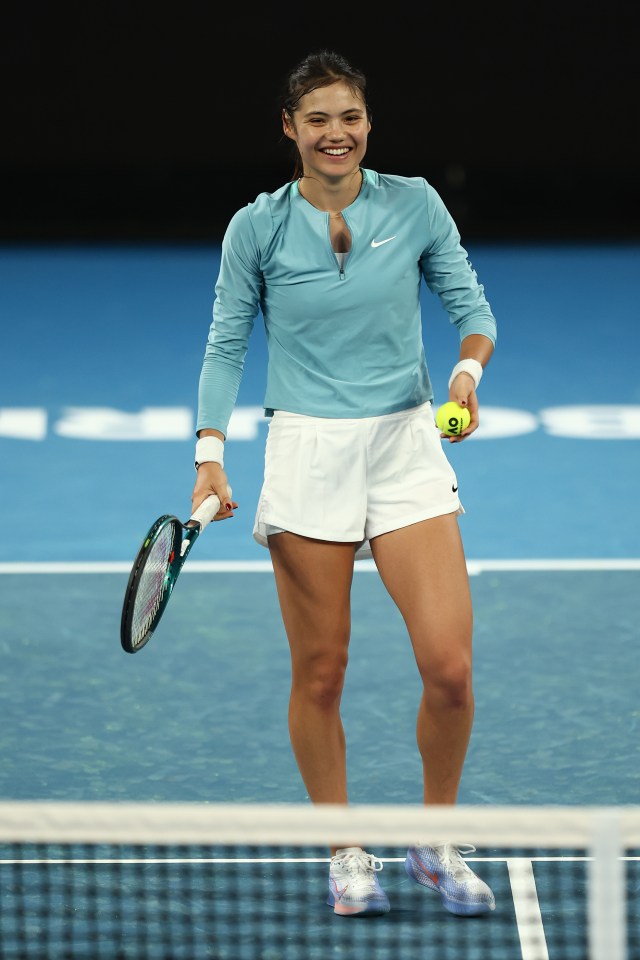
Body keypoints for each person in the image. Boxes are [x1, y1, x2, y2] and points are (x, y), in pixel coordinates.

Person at [191, 49, 497, 919]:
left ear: (369, 123)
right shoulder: (256, 227)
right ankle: (344, 846)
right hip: (307, 451)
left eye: (350, 116)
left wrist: (466, 378)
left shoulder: (417, 204)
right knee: (321, 672)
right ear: (290, 129)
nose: (337, 133)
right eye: (318, 119)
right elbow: (225, 344)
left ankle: (434, 840)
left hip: (405, 442)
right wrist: (210, 454)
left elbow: (471, 311)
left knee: (450, 668)